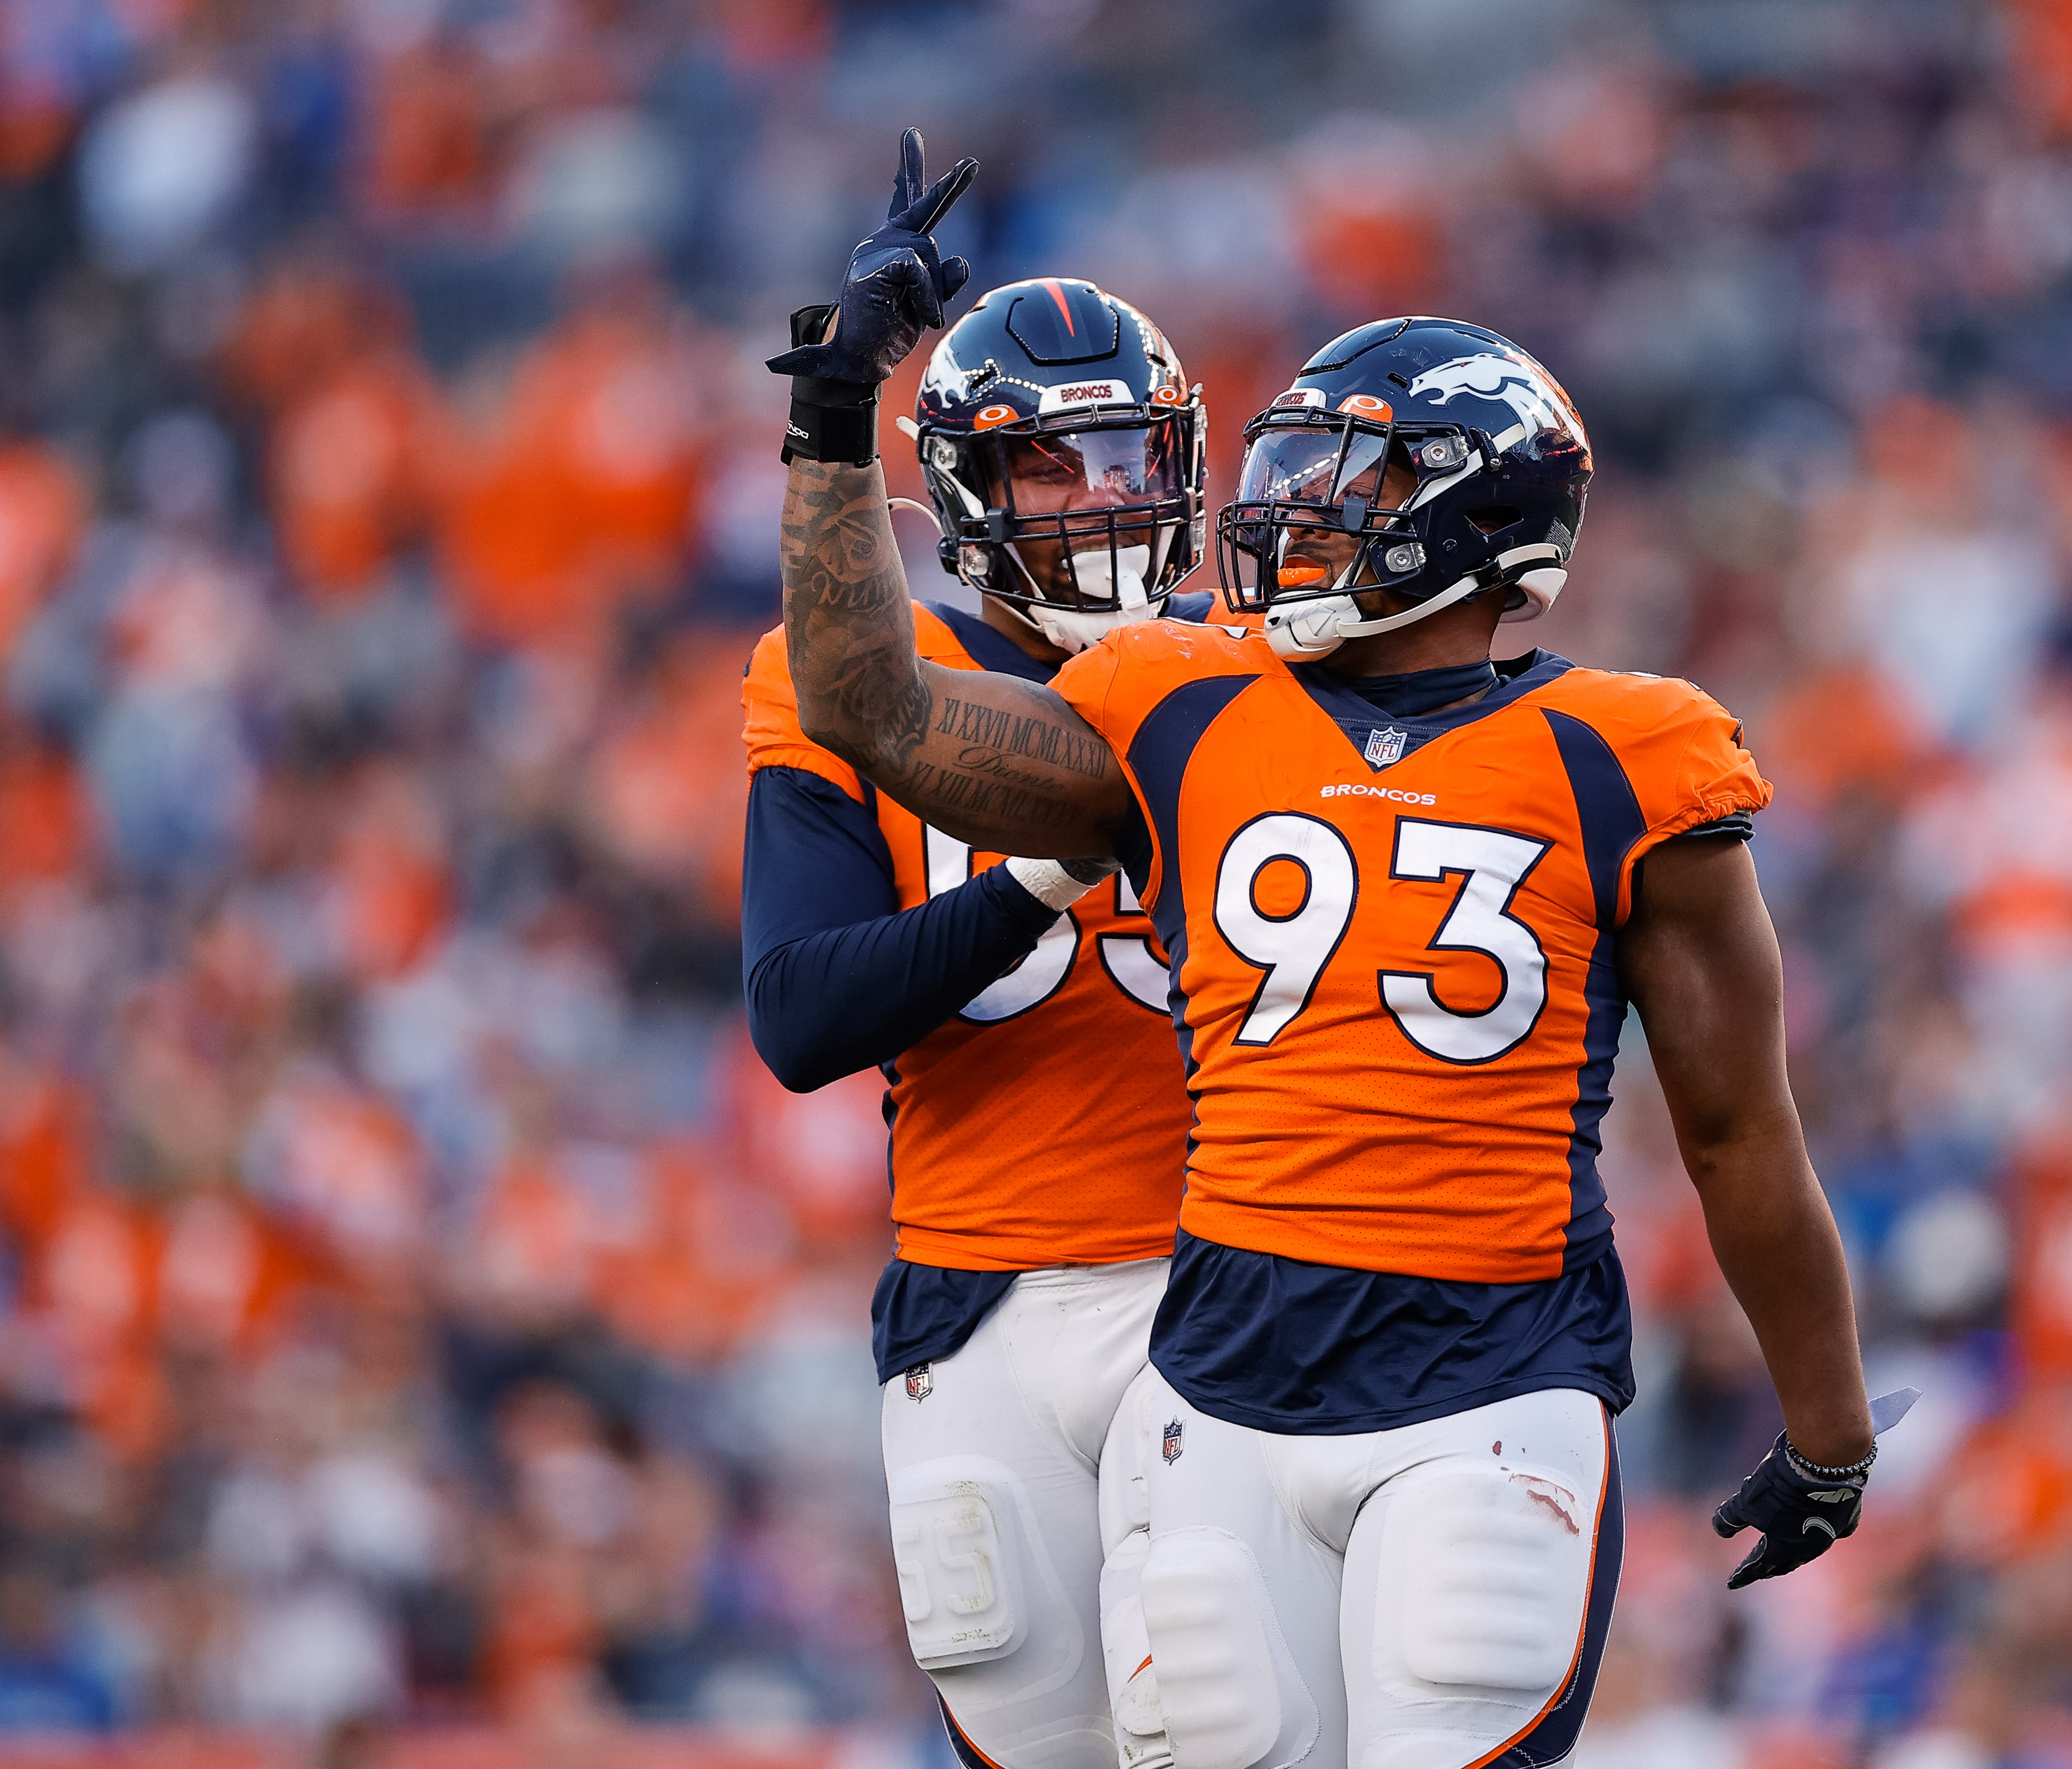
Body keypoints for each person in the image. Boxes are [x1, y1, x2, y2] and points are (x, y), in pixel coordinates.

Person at [768, 132, 1876, 1769]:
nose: (1284, 515)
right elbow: (873, 709)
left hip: (1490, 1360)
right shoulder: (1181, 707)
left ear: (1475, 519)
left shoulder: (1634, 754)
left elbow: (1738, 1132)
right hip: (1217, 1373)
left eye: (1345, 484)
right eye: (1290, 469)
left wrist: (1830, 1429)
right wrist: (829, 418)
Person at [743, 132, 1225, 1769]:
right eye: (1051, 468)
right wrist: (1031, 883)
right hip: (983, 1305)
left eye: (1129, 457)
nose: (1103, 501)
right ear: (961, 491)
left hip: (1232, 1286)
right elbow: (802, 1014)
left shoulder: (1256, 670)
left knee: (1230, 1726)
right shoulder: (849, 676)